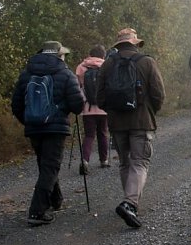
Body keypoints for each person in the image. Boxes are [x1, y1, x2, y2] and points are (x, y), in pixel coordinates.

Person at [96, 28, 166, 229]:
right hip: (141, 121)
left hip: (117, 123)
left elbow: (99, 96)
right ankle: (130, 203)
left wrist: (112, 111)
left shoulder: (108, 64)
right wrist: (151, 110)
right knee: (140, 162)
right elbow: (158, 94)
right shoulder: (147, 62)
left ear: (119, 44)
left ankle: (129, 200)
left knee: (125, 163)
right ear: (135, 43)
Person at [11, 40, 85, 226]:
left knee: (46, 165)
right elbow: (78, 105)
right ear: (59, 55)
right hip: (55, 128)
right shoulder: (65, 74)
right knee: (50, 167)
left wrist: (28, 120)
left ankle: (55, 200)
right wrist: (63, 110)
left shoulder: (26, 74)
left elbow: (16, 104)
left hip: (34, 128)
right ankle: (37, 211)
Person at [75, 45, 110, 174]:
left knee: (89, 135)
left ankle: (85, 161)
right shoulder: (108, 66)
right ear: (103, 55)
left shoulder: (81, 67)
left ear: (90, 54)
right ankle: (104, 160)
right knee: (103, 133)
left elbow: (77, 88)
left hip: (87, 108)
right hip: (104, 108)